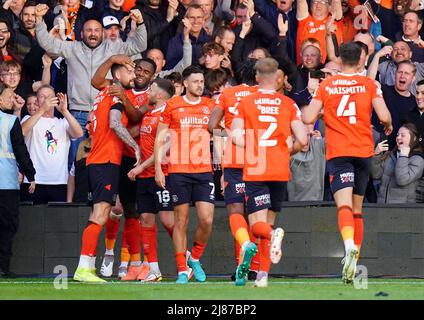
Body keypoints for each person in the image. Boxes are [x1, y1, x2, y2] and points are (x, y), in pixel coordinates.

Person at [302, 41, 393, 284]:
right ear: (362, 60)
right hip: (363, 152)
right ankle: (354, 258)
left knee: (342, 206)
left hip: (340, 152)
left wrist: (325, 111)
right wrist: (388, 124)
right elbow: (384, 116)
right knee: (357, 209)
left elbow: (308, 116)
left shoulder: (328, 84)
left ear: (340, 60)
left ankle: (349, 245)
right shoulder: (369, 84)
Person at [34, 3, 147, 168]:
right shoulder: (72, 48)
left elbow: (139, 45)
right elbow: (48, 44)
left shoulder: (113, 47)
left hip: (104, 113)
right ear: (81, 33)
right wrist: (39, 20)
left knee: (105, 159)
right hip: (77, 114)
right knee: (76, 161)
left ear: (102, 33)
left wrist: (141, 23)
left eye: (96, 30)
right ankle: (78, 194)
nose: (92, 34)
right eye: (88, 30)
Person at [231, 57, 308, 287]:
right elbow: (303, 139)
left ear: (256, 77)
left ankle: (274, 236)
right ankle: (263, 276)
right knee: (268, 223)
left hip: (257, 168)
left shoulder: (245, 103)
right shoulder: (288, 104)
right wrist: (285, 150)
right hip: (279, 168)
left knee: (257, 226)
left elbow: (235, 136)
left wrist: (253, 146)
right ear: (277, 77)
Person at [73, 63, 140, 282]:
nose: (134, 74)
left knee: (97, 213)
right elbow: (114, 123)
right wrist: (135, 146)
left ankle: (88, 266)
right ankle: (83, 267)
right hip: (107, 159)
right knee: (101, 214)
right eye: (129, 71)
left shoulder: (101, 95)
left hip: (96, 160)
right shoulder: (115, 95)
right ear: (117, 75)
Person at [91, 54, 156, 280]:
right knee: (116, 209)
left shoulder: (152, 95)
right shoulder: (119, 85)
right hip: (121, 154)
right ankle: (109, 253)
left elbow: (137, 117)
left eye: (146, 72)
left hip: (142, 159)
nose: (140, 73)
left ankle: (133, 262)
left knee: (134, 212)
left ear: (153, 76)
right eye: (137, 69)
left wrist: (123, 99)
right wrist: (110, 60)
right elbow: (95, 81)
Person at [154, 65, 216, 284]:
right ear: (186, 84)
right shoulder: (173, 105)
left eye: (202, 81)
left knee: (207, 219)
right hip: (178, 170)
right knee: (181, 221)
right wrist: (159, 168)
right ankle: (182, 270)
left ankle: (195, 258)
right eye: (196, 81)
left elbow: (220, 132)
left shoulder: (211, 105)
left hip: (203, 170)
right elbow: (161, 138)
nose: (200, 85)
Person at [208, 58, 260, 284]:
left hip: (233, 161)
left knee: (236, 214)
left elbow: (211, 126)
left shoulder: (228, 95)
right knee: (257, 216)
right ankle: (256, 269)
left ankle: (241, 261)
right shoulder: (268, 96)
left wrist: (227, 132)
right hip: (261, 162)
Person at [127, 78, 176, 282]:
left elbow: (163, 151)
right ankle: (154, 270)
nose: (148, 91)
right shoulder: (148, 114)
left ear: (162, 94)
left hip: (162, 173)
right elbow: (146, 143)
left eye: (152, 88)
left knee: (167, 220)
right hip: (145, 177)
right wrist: (138, 153)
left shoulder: (168, 116)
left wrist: (140, 167)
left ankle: (188, 260)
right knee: (146, 220)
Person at [20, 86, 83, 204]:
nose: (46, 100)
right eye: (42, 97)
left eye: (49, 97)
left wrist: (65, 111)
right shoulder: (29, 118)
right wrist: (41, 110)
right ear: (37, 101)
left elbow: (79, 133)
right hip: (34, 181)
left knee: (57, 220)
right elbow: (22, 131)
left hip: (59, 181)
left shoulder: (63, 122)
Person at [0, 83, 36, 278]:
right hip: (6, 183)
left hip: (6, 182)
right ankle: (3, 267)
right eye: (9, 96)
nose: (12, 99)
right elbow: (21, 151)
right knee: (7, 226)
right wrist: (31, 175)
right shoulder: (10, 121)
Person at [372, 123, 424, 203]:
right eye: (397, 135)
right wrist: (376, 154)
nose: (398, 138)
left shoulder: (417, 159)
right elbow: (376, 175)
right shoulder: (390, 155)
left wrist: (403, 156)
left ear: (414, 139)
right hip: (383, 207)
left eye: (403, 135)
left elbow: (402, 180)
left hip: (403, 210)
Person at [287, 123, 326, 201]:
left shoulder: (317, 145)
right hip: (293, 207)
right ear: (292, 137)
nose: (305, 140)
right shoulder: (289, 151)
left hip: (317, 206)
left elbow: (337, 137)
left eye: (307, 135)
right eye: (301, 136)